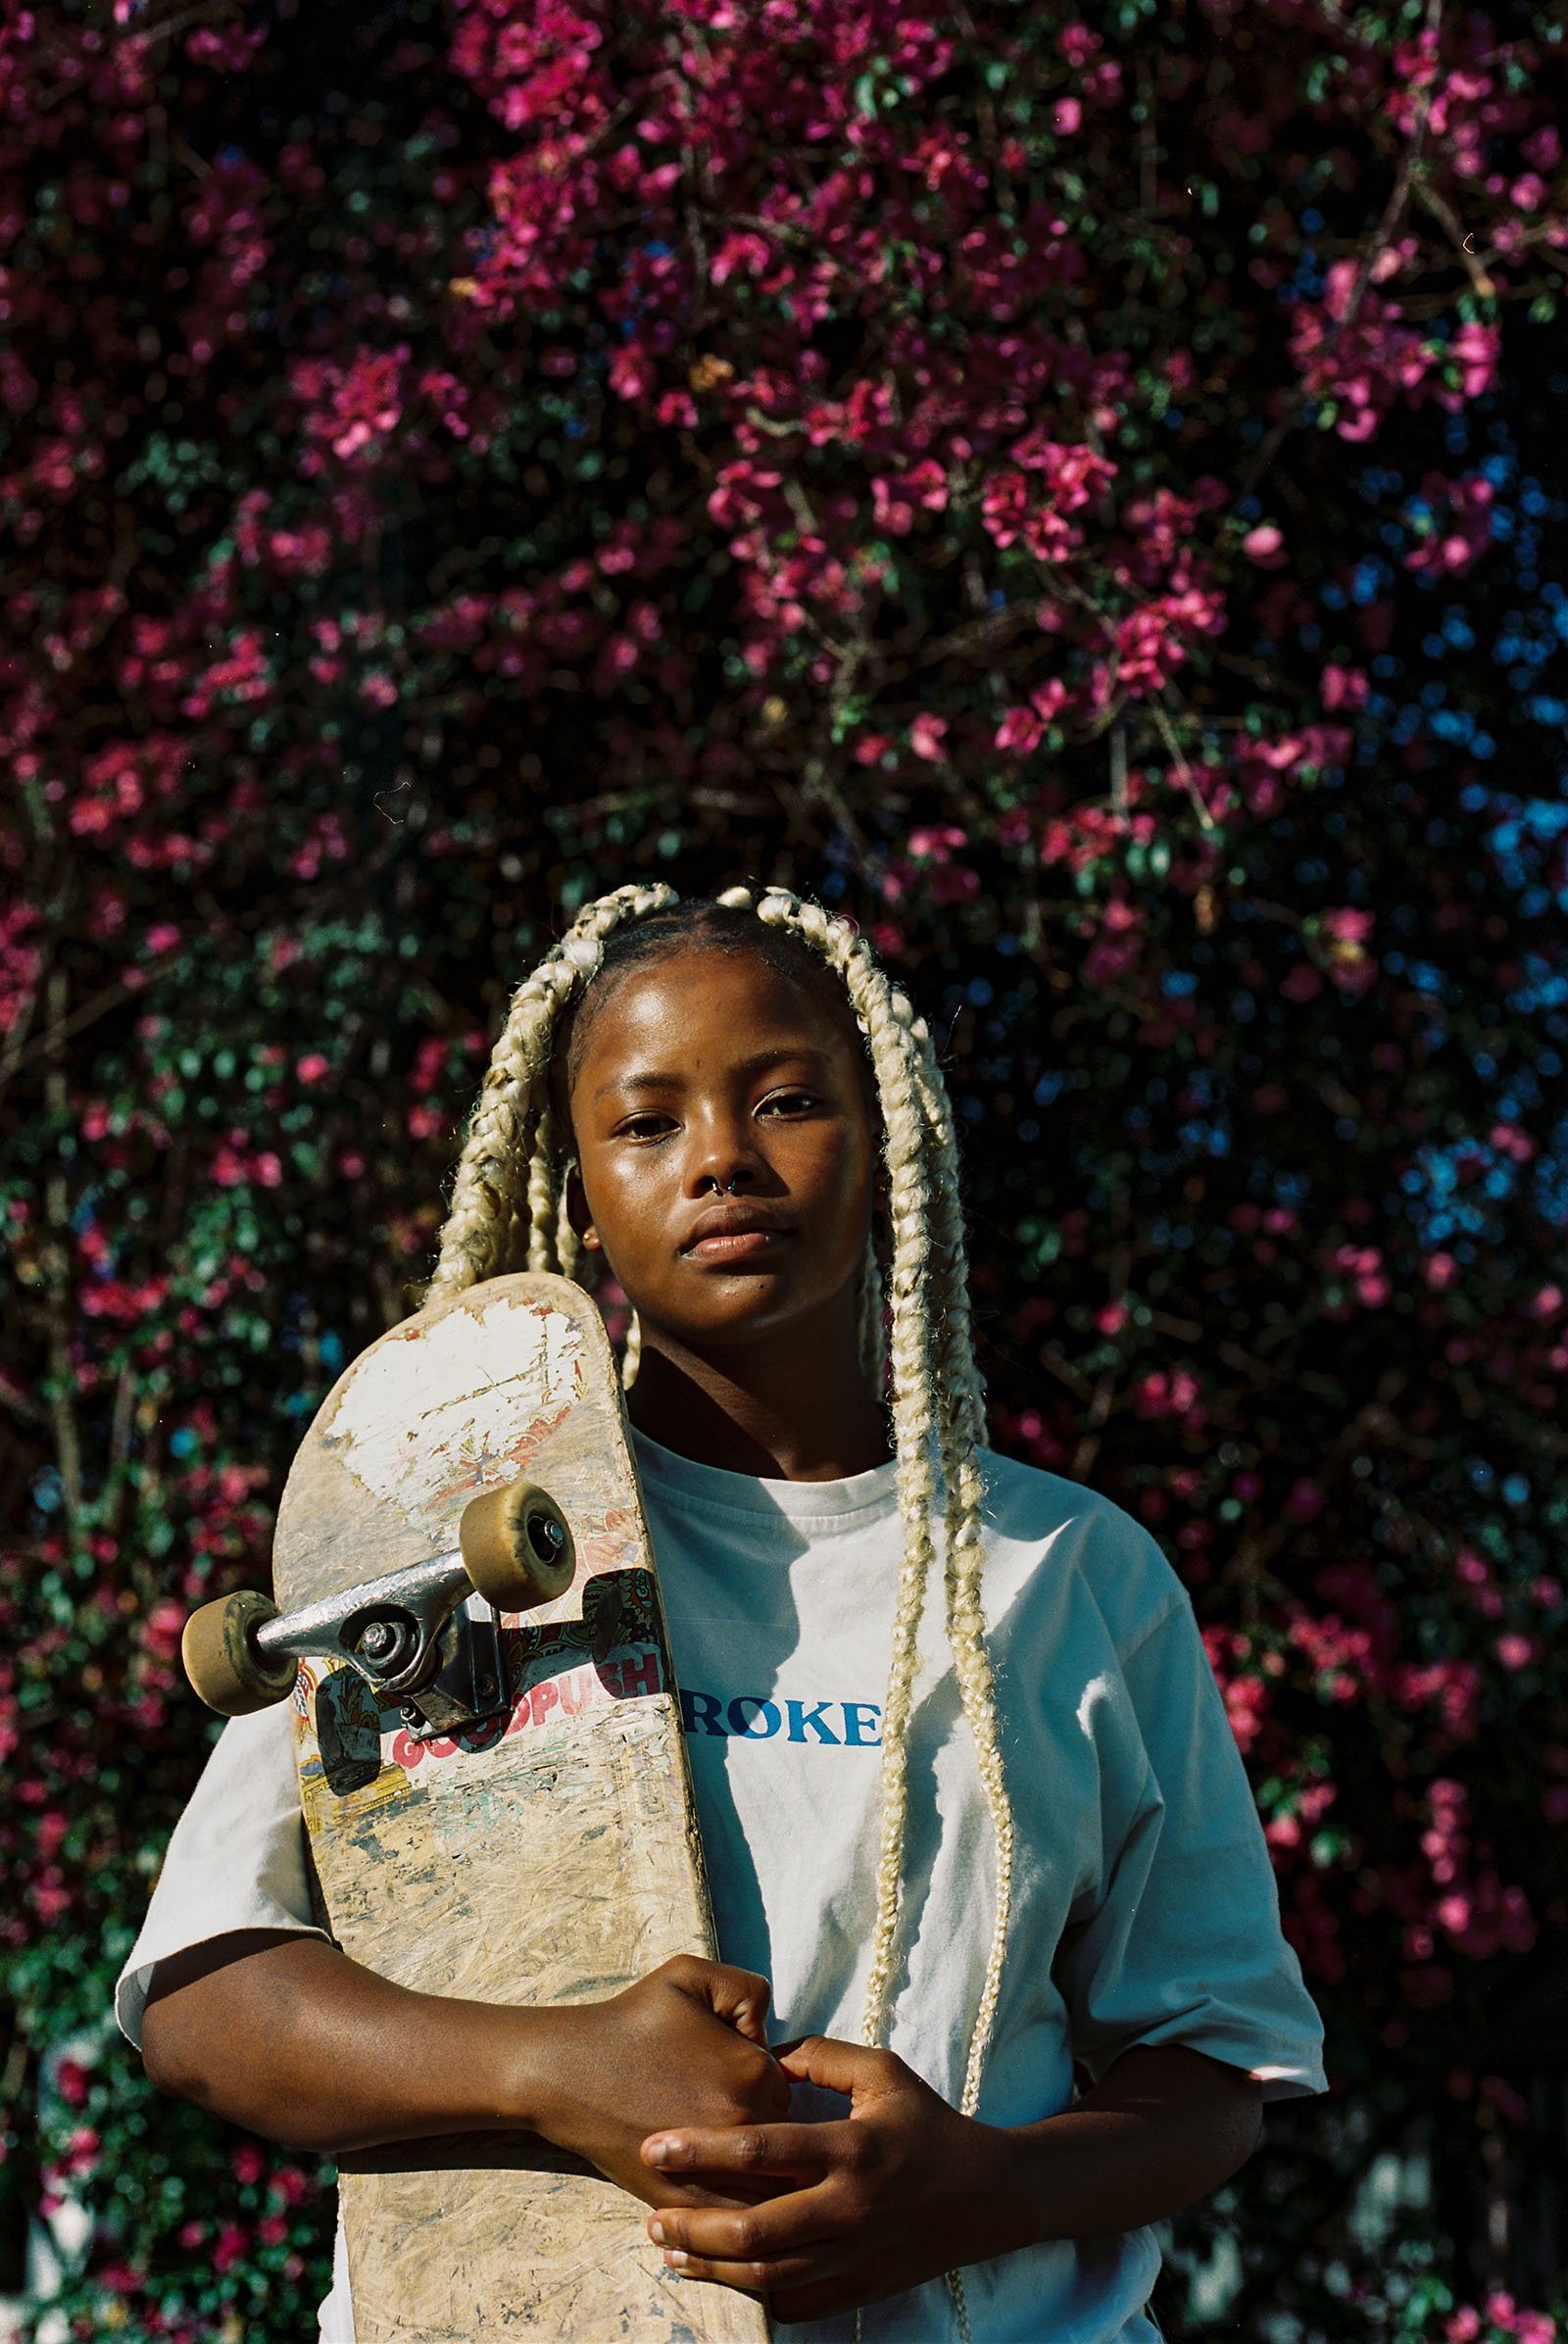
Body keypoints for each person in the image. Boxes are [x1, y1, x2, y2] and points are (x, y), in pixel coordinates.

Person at [120, 882, 1326, 2343]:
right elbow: (205, 1993)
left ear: (883, 1142)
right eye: (648, 1121)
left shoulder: (1069, 1573)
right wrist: (560, 2070)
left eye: (787, 1102)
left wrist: (972, 2190)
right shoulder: (439, 1559)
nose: (721, 1163)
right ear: (577, 1185)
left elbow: (1208, 2073)